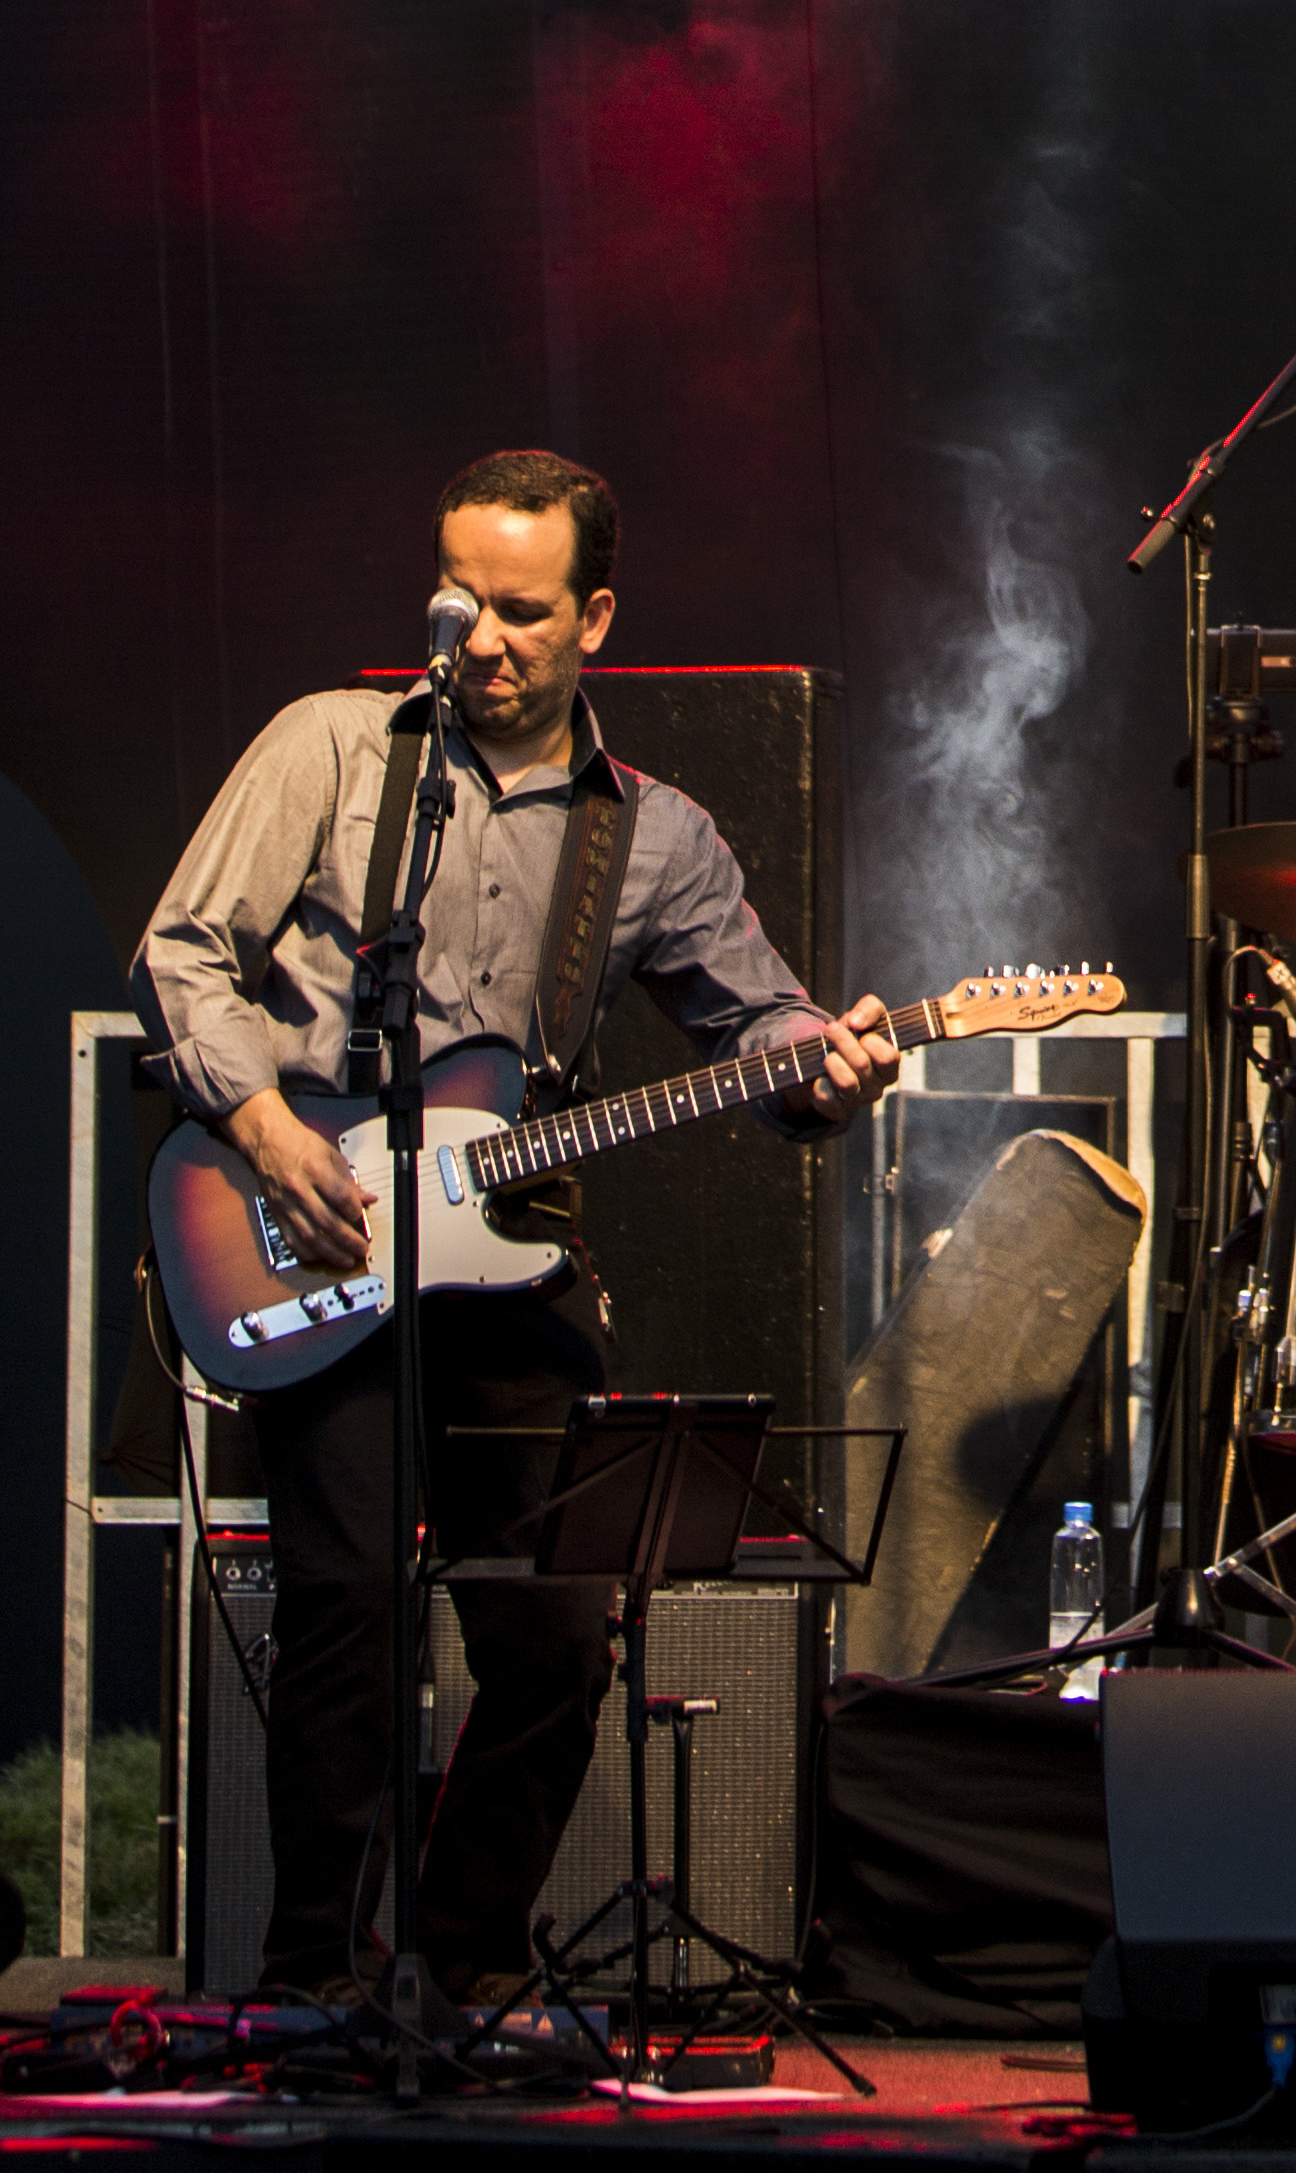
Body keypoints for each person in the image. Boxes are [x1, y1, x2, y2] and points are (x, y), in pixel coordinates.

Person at [135, 449, 899, 2006]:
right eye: (457, 597)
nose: (478, 634)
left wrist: (833, 1069)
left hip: (512, 1259)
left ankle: (464, 1965)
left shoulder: (653, 837)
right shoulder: (333, 748)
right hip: (315, 1224)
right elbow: (180, 953)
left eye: (521, 610)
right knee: (345, 1614)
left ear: (594, 618)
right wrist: (269, 1129)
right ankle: (311, 1987)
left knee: (555, 1637)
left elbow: (761, 1035)